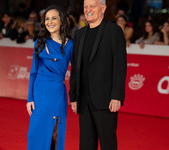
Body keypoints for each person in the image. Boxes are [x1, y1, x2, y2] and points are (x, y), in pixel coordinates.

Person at [69, 0, 127, 150]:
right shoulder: (80, 34)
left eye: (92, 6)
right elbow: (75, 67)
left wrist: (117, 96)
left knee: (108, 144)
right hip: (83, 100)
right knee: (86, 144)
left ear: (103, 8)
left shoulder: (114, 31)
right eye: (85, 6)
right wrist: (74, 96)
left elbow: (120, 66)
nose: (88, 10)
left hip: (105, 100)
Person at [26, 5, 73, 150]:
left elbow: (77, 71)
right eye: (47, 18)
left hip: (57, 94)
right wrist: (30, 98)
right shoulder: (39, 43)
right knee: (34, 134)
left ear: (61, 21)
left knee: (54, 134)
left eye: (54, 18)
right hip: (39, 96)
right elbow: (33, 73)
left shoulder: (70, 44)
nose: (50, 21)